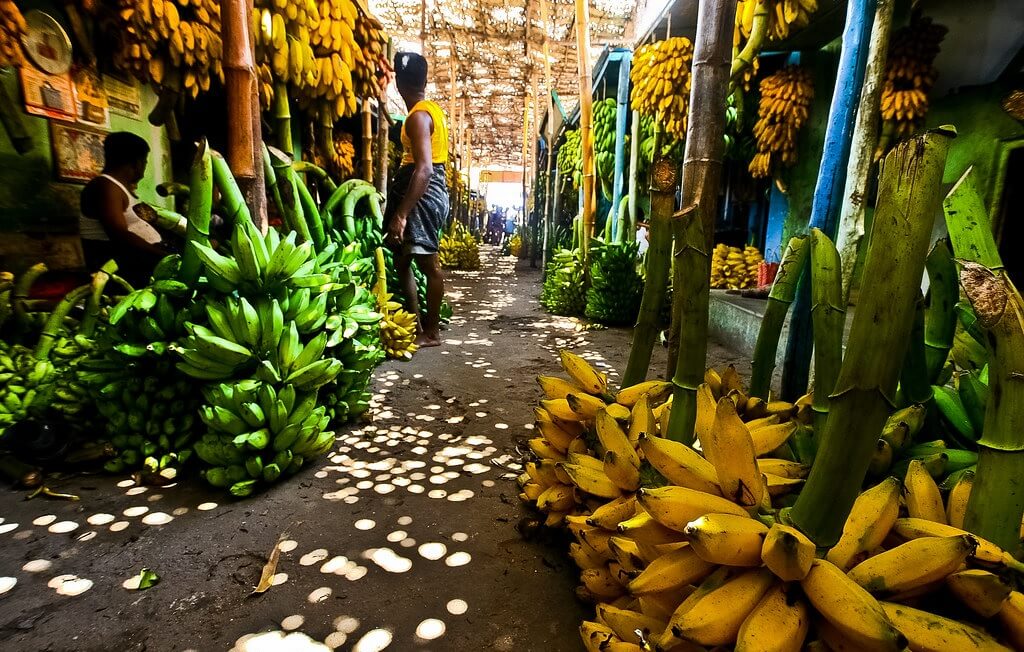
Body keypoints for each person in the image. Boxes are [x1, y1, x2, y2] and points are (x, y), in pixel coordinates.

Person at [384, 52, 449, 347]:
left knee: (428, 264)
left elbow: (423, 169)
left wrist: (402, 214)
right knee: (402, 259)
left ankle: (431, 331)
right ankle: (416, 322)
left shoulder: (418, 118)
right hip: (423, 189)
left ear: (398, 83)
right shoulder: (431, 109)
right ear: (424, 80)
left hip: (422, 192)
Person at [79, 132, 168, 286]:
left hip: (136, 263)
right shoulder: (105, 186)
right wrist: (163, 255)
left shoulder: (119, 188)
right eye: (145, 162)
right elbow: (119, 234)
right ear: (136, 163)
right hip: (120, 270)